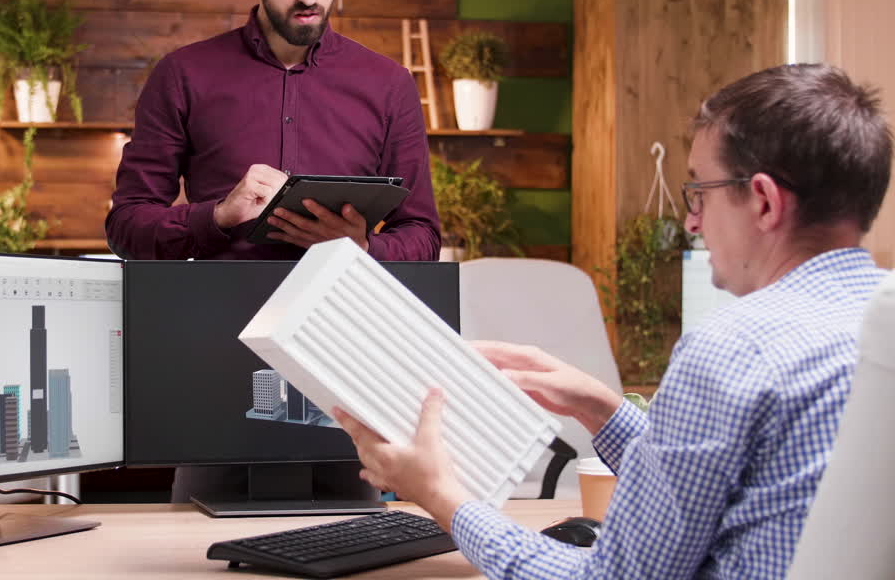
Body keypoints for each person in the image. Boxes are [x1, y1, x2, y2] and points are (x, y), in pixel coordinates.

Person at [336, 63, 892, 579]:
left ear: (766, 203)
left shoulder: (732, 350)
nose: (692, 221)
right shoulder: (878, 331)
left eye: (699, 191)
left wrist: (443, 498)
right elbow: (730, 478)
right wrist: (602, 409)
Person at [105, 0, 440, 262]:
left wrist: (360, 249)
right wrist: (217, 217)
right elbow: (125, 228)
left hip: (340, 319)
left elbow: (423, 237)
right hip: (220, 317)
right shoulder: (182, 75)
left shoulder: (390, 85)